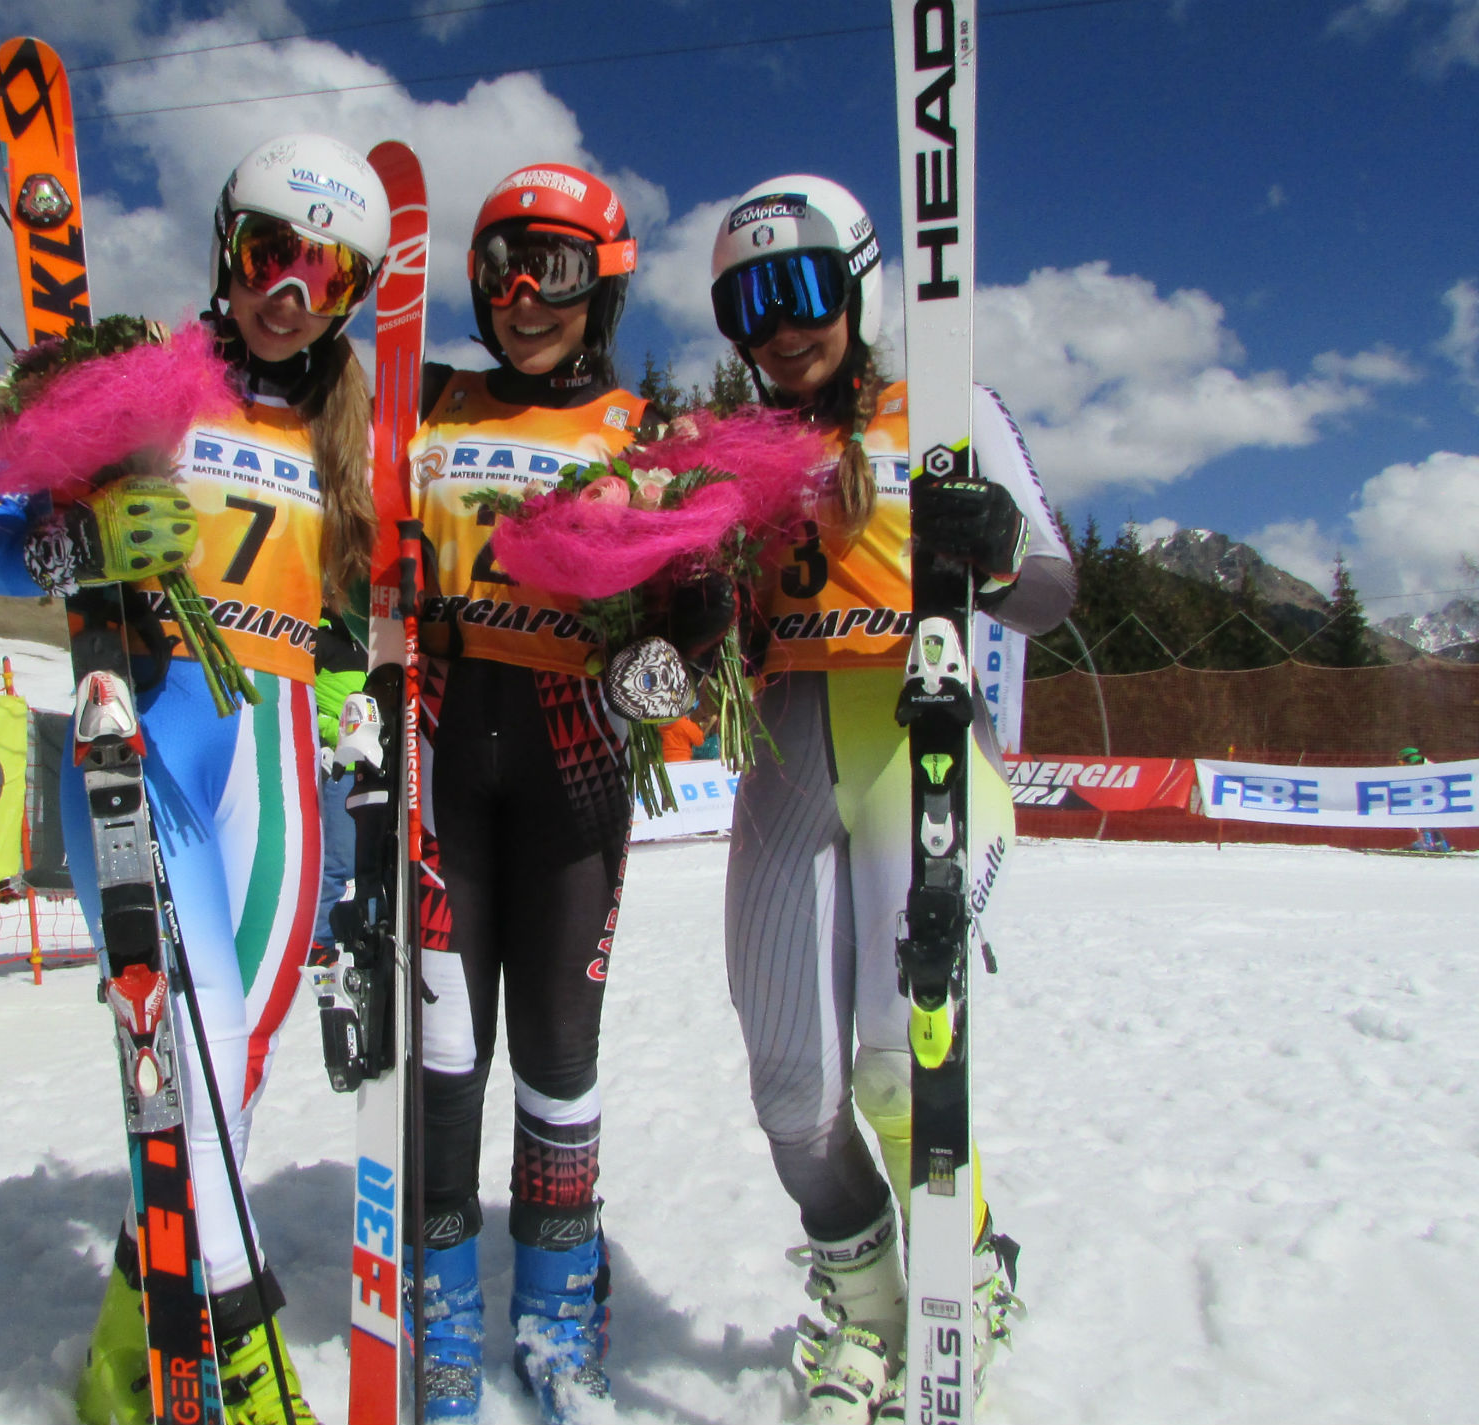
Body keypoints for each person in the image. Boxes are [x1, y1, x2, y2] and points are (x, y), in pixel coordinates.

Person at [0, 132, 387, 1425]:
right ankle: (243, 1360)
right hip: (141, 737)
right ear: (223, 247)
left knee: (222, 1084)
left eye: (328, 274)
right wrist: (72, 541)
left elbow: (372, 604)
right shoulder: (142, 376)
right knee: (187, 1056)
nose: (290, 291)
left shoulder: (347, 432)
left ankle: (126, 1362)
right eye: (268, 254)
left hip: (278, 766)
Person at [708, 175, 1074, 1423]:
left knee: (891, 1061)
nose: (777, 328)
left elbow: (1051, 594)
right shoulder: (736, 450)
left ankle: (964, 1276)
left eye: (800, 290)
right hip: (786, 756)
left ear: (859, 287)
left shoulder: (948, 407)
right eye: (745, 306)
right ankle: (866, 1309)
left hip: (920, 744)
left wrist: (995, 548)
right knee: (790, 1094)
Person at [406, 161, 656, 1425]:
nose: (520, 297)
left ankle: (557, 1315)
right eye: (498, 268)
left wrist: (671, 656)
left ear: (600, 284)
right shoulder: (429, 404)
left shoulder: (638, 430)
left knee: (558, 1050)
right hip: (442, 757)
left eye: (550, 269)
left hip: (573, 765)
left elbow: (690, 620)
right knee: (445, 1052)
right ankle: (443, 1307)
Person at [310, 615, 366, 954]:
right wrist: (336, 733)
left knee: (373, 862)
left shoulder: (371, 630)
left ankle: (366, 937)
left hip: (382, 764)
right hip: (342, 766)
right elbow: (302, 698)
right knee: (338, 863)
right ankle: (320, 942)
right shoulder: (318, 634)